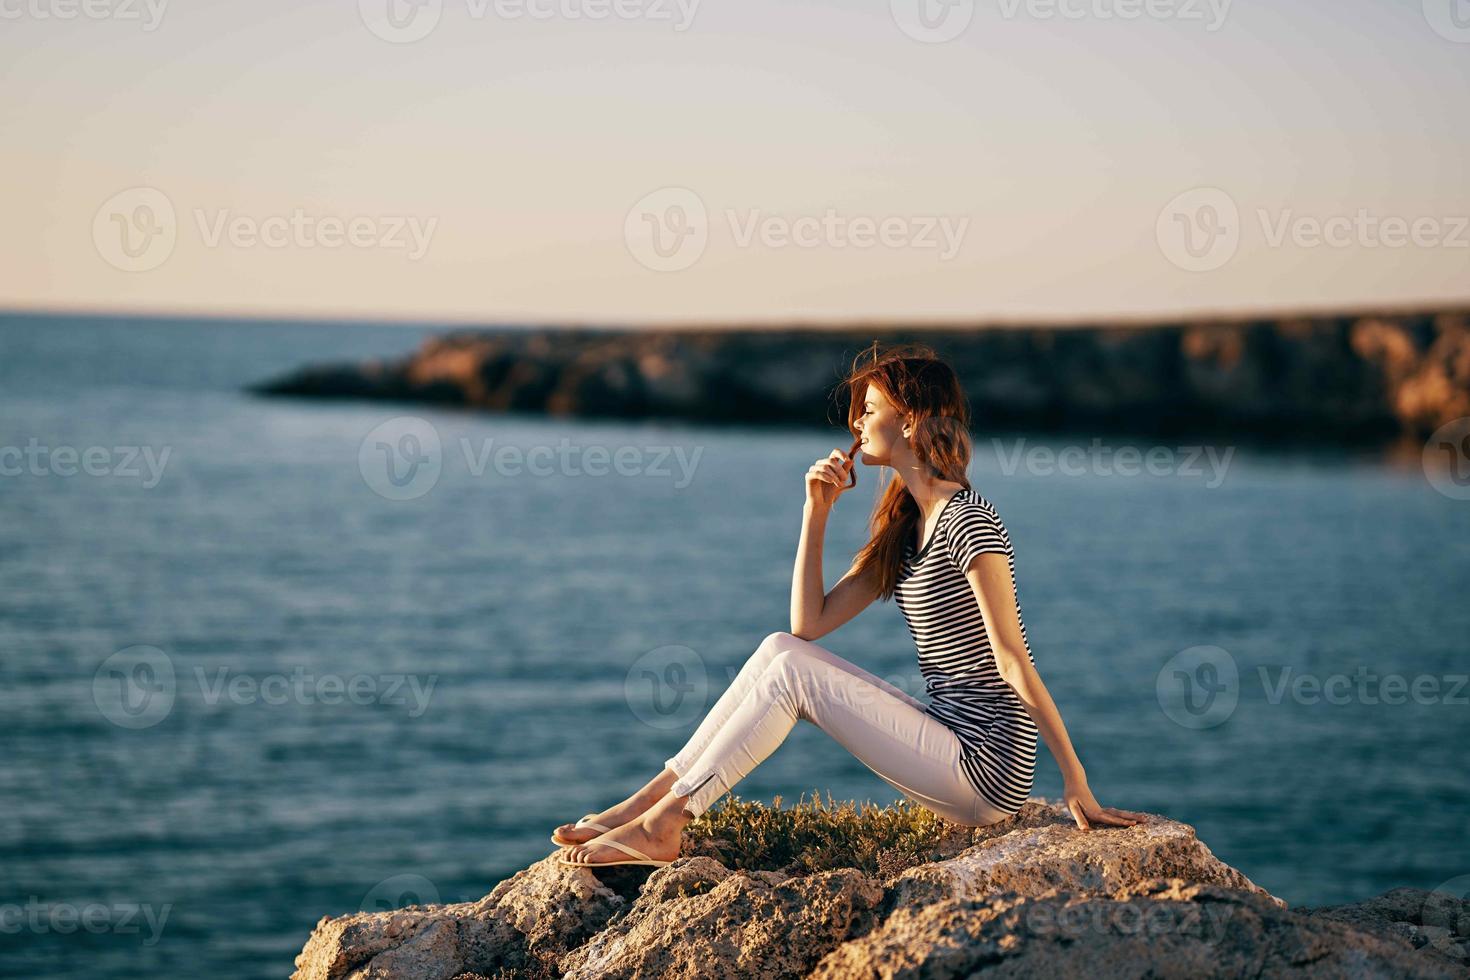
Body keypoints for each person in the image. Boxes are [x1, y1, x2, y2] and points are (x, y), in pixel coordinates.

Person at [558, 341, 1142, 868]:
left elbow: (1012, 659)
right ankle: (643, 805)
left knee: (790, 672)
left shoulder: (969, 524)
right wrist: (818, 510)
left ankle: (667, 825)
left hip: (988, 769)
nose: (855, 423)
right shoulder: (908, 524)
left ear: (910, 421)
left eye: (869, 409)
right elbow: (807, 624)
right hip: (946, 736)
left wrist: (1075, 779)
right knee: (778, 650)